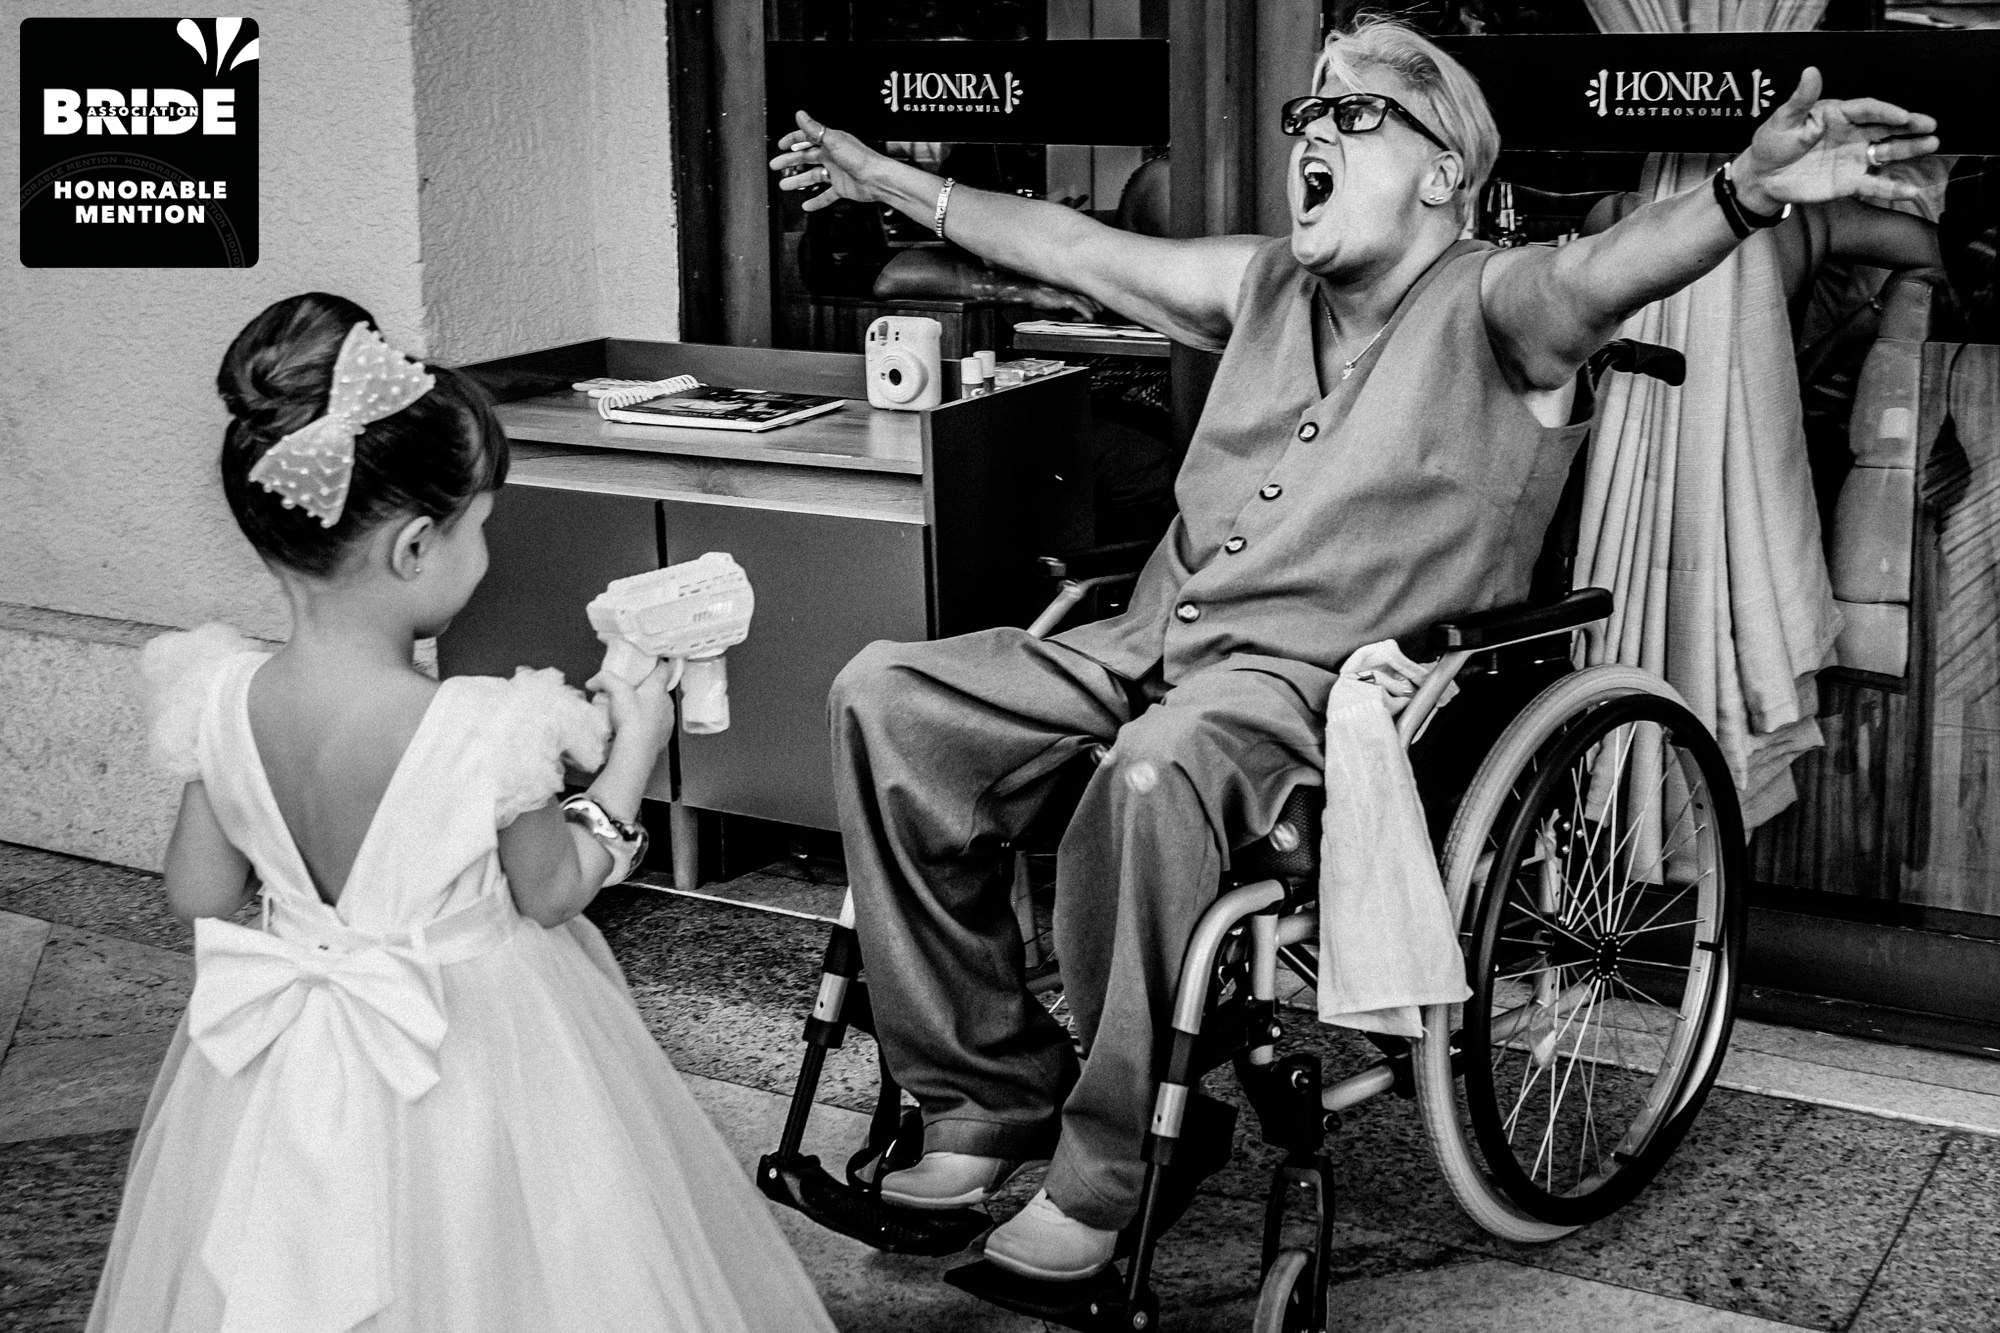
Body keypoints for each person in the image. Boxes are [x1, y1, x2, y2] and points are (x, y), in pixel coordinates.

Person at [770, 18, 1939, 1283]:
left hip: (1304, 698)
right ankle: (988, 1093)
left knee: (1159, 768)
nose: (1311, 135)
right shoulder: (1266, 283)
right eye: (1306, 116)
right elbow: (1072, 247)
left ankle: (1110, 1163)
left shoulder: (1501, 303)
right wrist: (888, 179)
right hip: (1141, 645)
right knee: (885, 695)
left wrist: (1741, 194)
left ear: (1442, 172)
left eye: (1353, 113)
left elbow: (1607, 270)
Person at [88, 293, 836, 1333]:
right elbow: (553, 889)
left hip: (284, 1063)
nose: (485, 550)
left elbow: (200, 891)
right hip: (471, 1049)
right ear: (414, 548)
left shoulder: (218, 696)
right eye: (479, 527)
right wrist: (633, 753)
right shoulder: (484, 727)